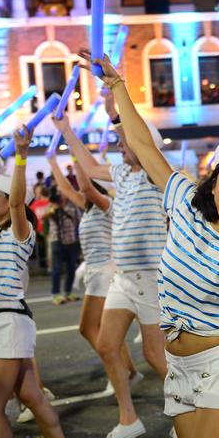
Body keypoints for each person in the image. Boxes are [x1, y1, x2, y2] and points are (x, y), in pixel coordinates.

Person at [83, 50, 219, 438]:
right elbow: (141, 142)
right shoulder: (182, 201)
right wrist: (118, 87)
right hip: (178, 370)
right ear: (213, 184)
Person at [52, 91, 175, 438]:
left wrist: (118, 109)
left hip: (152, 278)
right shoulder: (122, 172)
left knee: (156, 356)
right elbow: (89, 169)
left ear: (143, 144)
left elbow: (136, 137)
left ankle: (188, 416)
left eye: (125, 142)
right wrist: (65, 130)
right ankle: (128, 420)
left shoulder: (156, 173)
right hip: (124, 277)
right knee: (107, 344)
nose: (120, 147)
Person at [0, 126, 85, 438]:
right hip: (0, 324)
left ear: (8, 203)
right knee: (33, 398)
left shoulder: (18, 232)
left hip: (9, 324)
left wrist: (21, 155)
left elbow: (18, 199)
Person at [47, 148, 141, 393]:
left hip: (104, 272)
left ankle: (118, 369)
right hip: (96, 272)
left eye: (84, 185)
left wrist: (78, 159)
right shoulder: (88, 207)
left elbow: (85, 188)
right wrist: (52, 161)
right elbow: (66, 189)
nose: (78, 190)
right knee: (105, 329)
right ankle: (128, 371)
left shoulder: (105, 204)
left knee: (88, 328)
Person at [44, 187, 82, 305]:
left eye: (63, 193)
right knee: (57, 269)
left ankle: (68, 292)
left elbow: (79, 221)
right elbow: (43, 218)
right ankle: (55, 294)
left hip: (71, 241)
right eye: (59, 193)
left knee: (72, 268)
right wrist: (52, 210)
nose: (61, 195)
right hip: (57, 241)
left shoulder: (73, 206)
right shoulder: (51, 206)